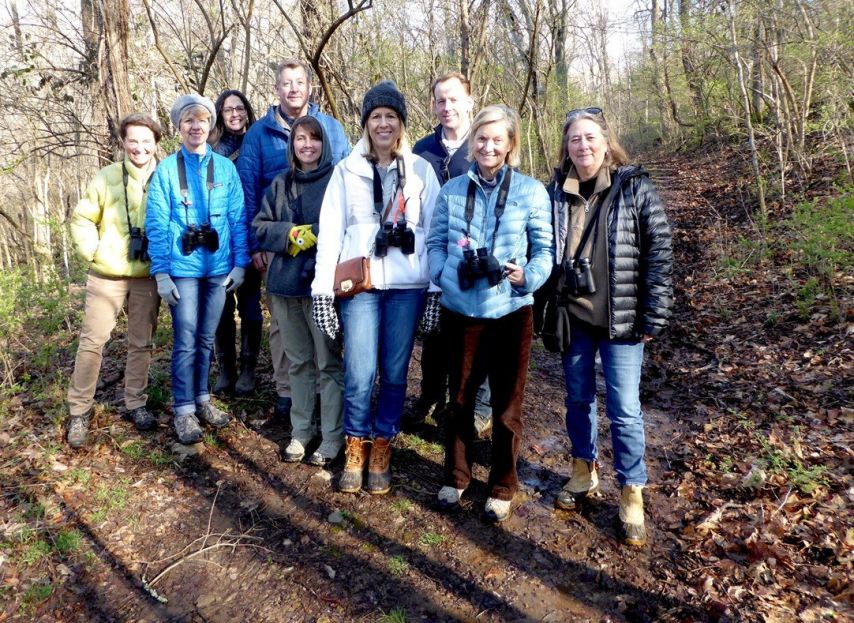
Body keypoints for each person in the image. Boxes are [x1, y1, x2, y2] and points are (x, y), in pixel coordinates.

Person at [547, 107, 673, 546]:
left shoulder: (634, 186)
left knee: (624, 409)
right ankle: (583, 470)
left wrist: (654, 311)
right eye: (574, 139)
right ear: (566, 147)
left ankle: (631, 489)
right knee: (578, 399)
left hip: (622, 318)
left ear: (606, 141)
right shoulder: (556, 192)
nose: (582, 146)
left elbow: (659, 250)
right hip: (576, 316)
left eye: (589, 138)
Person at [311, 81, 440, 495]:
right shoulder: (346, 171)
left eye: (391, 116)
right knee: (360, 368)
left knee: (396, 370)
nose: (383, 123)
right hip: (361, 284)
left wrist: (435, 289)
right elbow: (330, 232)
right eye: (376, 117)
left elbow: (436, 231)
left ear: (401, 122)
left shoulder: (420, 170)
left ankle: (383, 442)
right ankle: (355, 442)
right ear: (366, 123)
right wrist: (321, 291)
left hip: (408, 285)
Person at [426, 104, 553, 523]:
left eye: (497, 139)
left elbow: (545, 251)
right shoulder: (451, 191)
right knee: (459, 398)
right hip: (460, 308)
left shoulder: (531, 191)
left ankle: (502, 483)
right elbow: (434, 243)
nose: (488, 146)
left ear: (510, 144)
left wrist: (525, 276)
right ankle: (456, 475)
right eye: (481, 138)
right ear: (472, 141)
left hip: (512, 310)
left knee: (506, 405)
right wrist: (445, 275)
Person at [238, 60, 350, 419]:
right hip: (281, 250)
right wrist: (257, 245)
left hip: (325, 250)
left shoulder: (331, 128)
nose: (293, 89)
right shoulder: (260, 133)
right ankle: (287, 391)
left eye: (299, 82)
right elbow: (248, 190)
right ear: (276, 89)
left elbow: (348, 183)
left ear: (309, 87)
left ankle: (323, 394)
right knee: (283, 329)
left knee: (324, 323)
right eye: (286, 83)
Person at [145, 94, 250, 444]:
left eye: (202, 120)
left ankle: (202, 398)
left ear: (211, 126)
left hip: (219, 269)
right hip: (183, 269)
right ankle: (184, 409)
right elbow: (157, 223)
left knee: (206, 338)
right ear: (179, 127)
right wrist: (161, 272)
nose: (196, 126)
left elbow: (238, 217)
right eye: (188, 120)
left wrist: (240, 263)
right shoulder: (165, 171)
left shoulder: (225, 168)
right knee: (186, 340)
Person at [66, 114, 164, 448]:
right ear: (123, 142)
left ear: (156, 143)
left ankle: (136, 402)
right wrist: (93, 252)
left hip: (147, 276)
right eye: (133, 140)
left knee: (141, 343)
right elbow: (81, 218)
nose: (139, 147)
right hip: (106, 274)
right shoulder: (108, 176)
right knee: (93, 341)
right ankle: (79, 410)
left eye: (146, 141)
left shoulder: (166, 175)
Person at [252, 116, 344, 466]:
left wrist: (317, 232)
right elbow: (260, 227)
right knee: (299, 362)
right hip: (285, 287)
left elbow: (349, 222)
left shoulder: (338, 179)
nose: (307, 145)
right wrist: (290, 234)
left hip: (323, 288)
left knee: (329, 363)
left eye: (314, 138)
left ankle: (333, 436)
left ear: (324, 143)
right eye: (300, 139)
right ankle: (301, 431)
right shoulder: (281, 182)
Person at [410, 71, 492, 437]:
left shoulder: (484, 145)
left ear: (469, 102)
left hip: (474, 258)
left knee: (478, 333)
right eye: (441, 100)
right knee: (434, 333)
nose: (447, 107)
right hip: (432, 255)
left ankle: (480, 407)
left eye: (454, 99)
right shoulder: (421, 150)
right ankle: (430, 395)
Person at [207, 89, 261, 395]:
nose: (235, 114)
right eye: (228, 109)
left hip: (249, 234)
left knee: (251, 307)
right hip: (218, 241)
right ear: (219, 113)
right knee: (222, 307)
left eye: (240, 108)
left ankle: (249, 369)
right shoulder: (212, 148)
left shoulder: (255, 141)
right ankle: (226, 368)